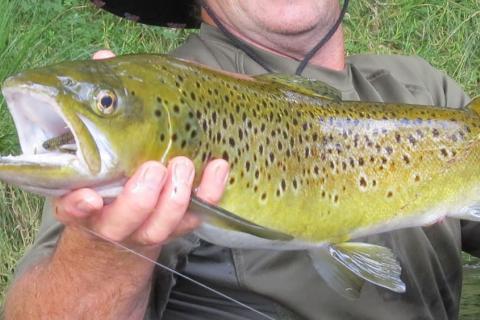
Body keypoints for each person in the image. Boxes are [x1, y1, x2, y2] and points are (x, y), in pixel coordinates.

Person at [4, 1, 479, 319]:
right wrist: (105, 248)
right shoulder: (176, 92)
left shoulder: (424, 87)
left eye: (106, 103)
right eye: (107, 104)